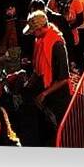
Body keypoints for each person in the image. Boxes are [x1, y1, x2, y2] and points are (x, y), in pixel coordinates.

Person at [23, 10, 72, 142]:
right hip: (46, 96)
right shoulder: (39, 40)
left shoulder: (57, 45)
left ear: (39, 29)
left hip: (58, 99)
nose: (32, 34)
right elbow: (38, 68)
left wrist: (45, 94)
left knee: (60, 135)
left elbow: (64, 78)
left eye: (33, 31)